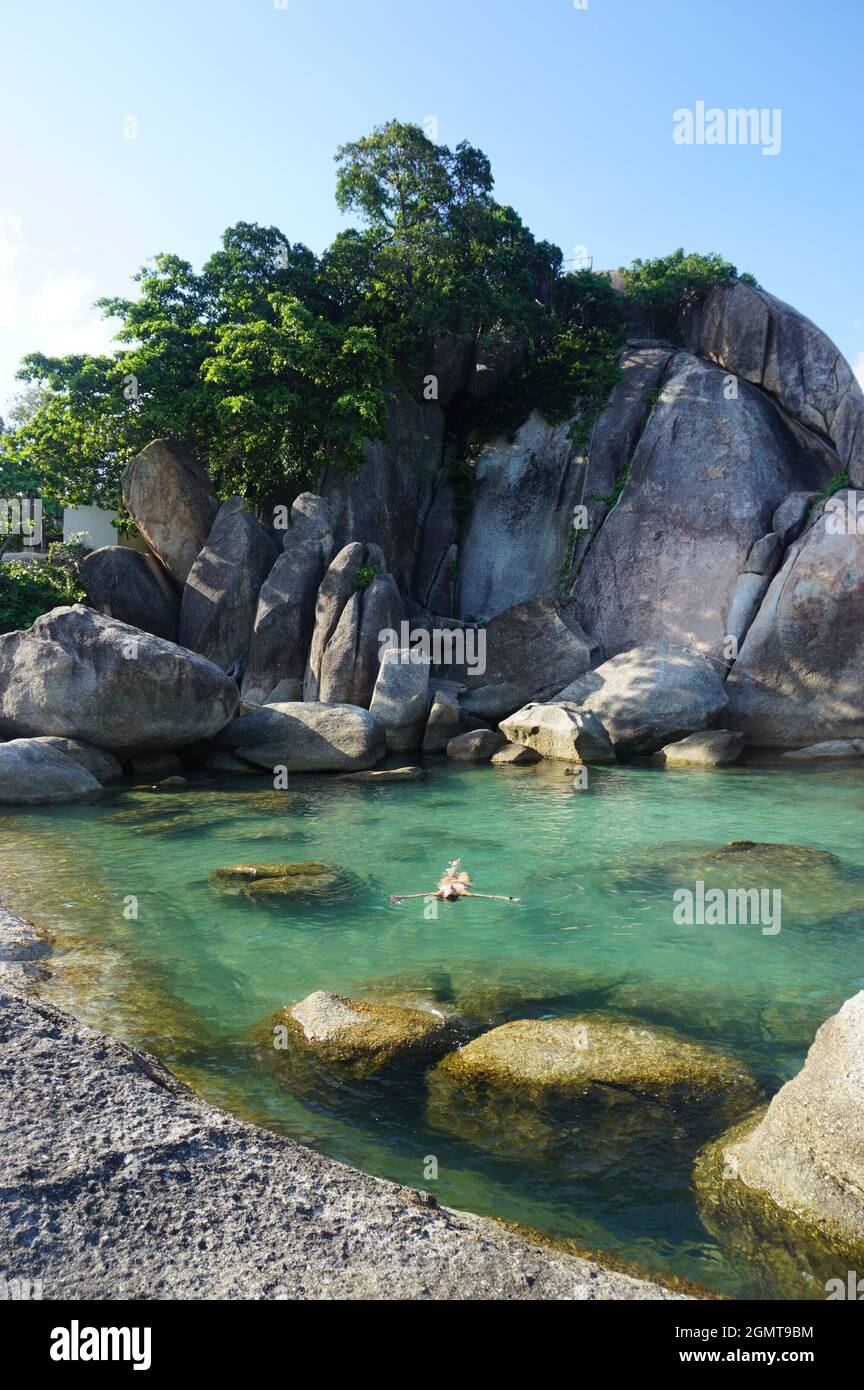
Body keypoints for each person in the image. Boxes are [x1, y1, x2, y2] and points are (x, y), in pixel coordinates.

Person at [389, 859, 519, 904]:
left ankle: (454, 866)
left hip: (446, 881)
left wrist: (401, 897)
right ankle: (456, 867)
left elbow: (421, 895)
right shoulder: (463, 893)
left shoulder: (440, 893)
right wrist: (506, 898)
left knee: (449, 876)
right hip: (462, 884)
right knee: (464, 874)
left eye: (446, 892)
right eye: (448, 891)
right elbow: (486, 896)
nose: (448, 889)